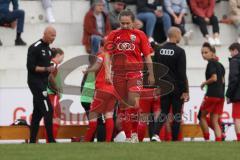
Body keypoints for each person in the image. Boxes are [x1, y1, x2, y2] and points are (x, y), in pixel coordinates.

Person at [104, 10, 155, 142]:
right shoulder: (113, 35)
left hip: (135, 73)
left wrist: (151, 73)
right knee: (124, 106)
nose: (125, 25)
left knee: (134, 103)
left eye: (128, 23)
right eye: (122, 23)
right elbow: (107, 55)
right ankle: (128, 136)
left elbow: (147, 55)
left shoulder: (140, 35)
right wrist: (107, 72)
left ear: (133, 22)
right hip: (118, 74)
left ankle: (134, 133)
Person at [151, 27, 189, 141]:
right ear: (176, 35)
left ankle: (155, 134)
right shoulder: (180, 51)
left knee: (164, 112)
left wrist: (157, 86)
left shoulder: (159, 50)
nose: (181, 36)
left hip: (164, 87)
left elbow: (156, 70)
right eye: (181, 34)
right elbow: (182, 73)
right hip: (177, 87)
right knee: (177, 114)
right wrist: (185, 90)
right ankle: (175, 139)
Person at [26, 26, 56, 143]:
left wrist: (54, 85)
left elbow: (48, 71)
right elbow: (30, 67)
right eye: (51, 35)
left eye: (55, 36)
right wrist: (46, 68)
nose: (53, 38)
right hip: (35, 82)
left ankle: (32, 141)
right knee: (48, 110)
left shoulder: (48, 49)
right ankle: (51, 140)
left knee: (38, 113)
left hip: (43, 83)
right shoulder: (35, 47)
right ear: (45, 34)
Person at [84, 51, 116, 142]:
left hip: (102, 89)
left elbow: (96, 67)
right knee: (108, 114)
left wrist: (87, 70)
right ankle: (108, 141)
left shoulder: (102, 55)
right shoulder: (117, 58)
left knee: (93, 114)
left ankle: (86, 141)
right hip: (112, 90)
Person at [199, 42, 225, 141]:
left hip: (212, 95)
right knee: (215, 120)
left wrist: (204, 83)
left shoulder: (211, 64)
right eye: (202, 53)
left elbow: (214, 78)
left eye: (206, 52)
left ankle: (206, 139)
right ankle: (219, 139)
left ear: (212, 53)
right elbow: (222, 81)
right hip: (220, 96)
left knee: (201, 116)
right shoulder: (221, 65)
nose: (203, 55)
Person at [44, 48, 64, 142]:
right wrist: (56, 89)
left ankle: (51, 140)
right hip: (52, 94)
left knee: (55, 117)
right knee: (55, 118)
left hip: (52, 94)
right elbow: (49, 76)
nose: (63, 59)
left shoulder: (50, 63)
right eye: (62, 57)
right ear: (58, 55)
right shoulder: (53, 63)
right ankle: (50, 140)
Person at [226, 42, 240, 141]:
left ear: (235, 50)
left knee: (237, 117)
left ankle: (239, 138)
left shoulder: (234, 61)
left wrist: (228, 94)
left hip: (237, 94)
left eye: (231, 52)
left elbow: (233, 79)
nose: (230, 54)